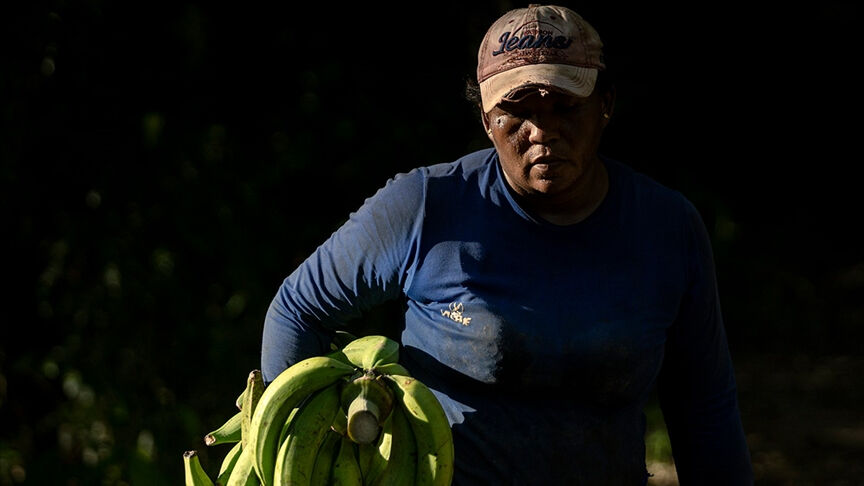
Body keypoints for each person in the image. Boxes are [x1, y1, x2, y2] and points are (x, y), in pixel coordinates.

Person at [261, 4, 753, 485]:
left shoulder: (666, 228)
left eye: (565, 106)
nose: (541, 130)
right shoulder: (427, 207)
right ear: (485, 119)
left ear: (606, 105)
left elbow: (703, 404)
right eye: (516, 110)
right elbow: (298, 310)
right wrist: (311, 451)